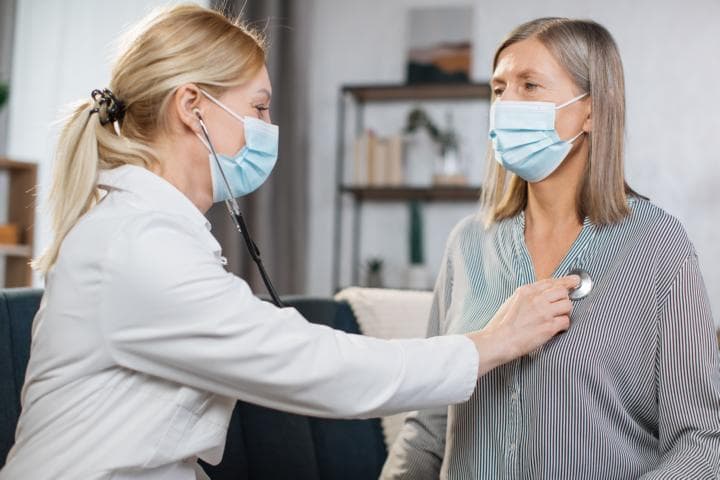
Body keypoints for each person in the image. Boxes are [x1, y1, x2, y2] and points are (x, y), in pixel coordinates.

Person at [0, 6, 580, 480]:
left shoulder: (155, 233)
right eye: (257, 106)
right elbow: (316, 367)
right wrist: (491, 343)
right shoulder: (138, 246)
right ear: (192, 106)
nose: (267, 126)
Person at [382, 17, 720, 479]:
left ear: (592, 112)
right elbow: (428, 428)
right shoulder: (468, 245)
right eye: (499, 89)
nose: (506, 104)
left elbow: (702, 442)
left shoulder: (659, 247)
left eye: (530, 85)